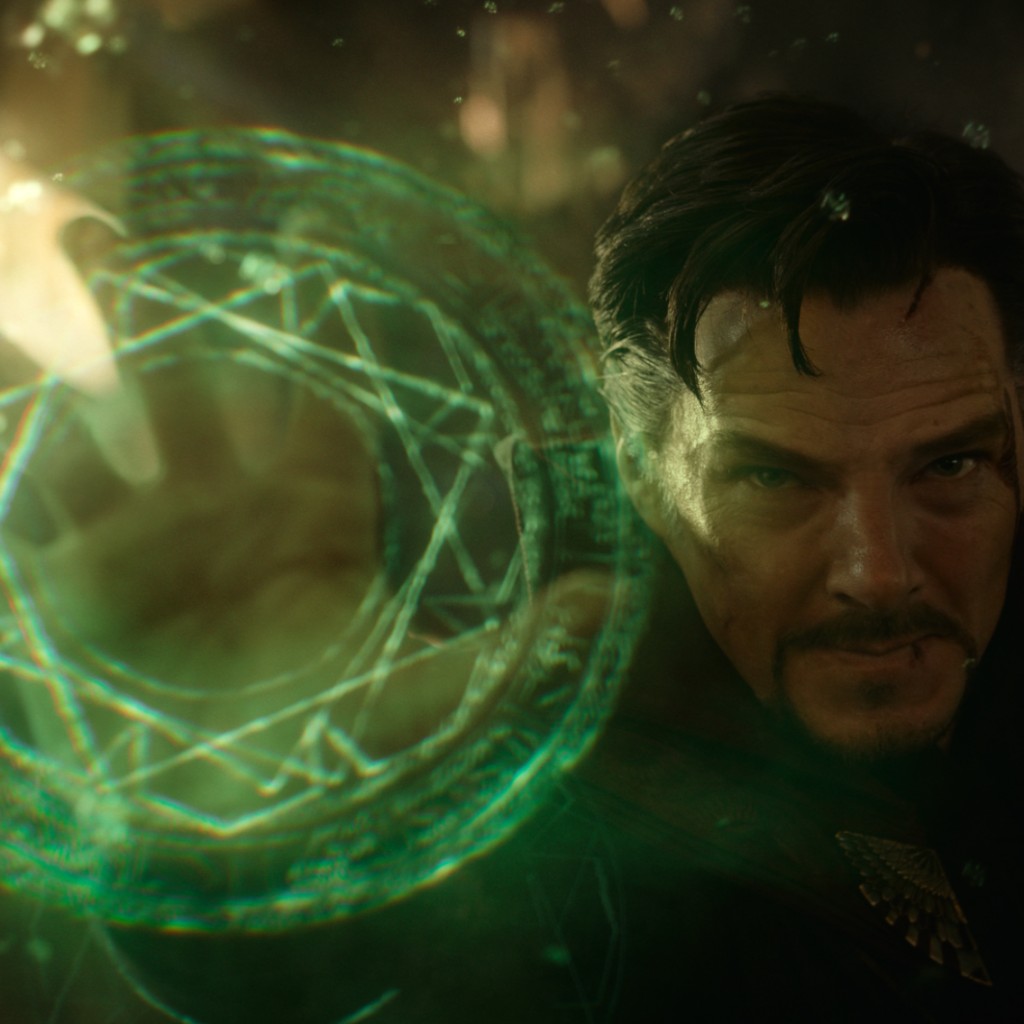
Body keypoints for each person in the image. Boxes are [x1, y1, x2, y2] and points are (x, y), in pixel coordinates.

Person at [578, 93, 1024, 1021]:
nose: (879, 573)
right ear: (642, 473)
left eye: (949, 465)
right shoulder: (543, 846)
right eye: (776, 479)